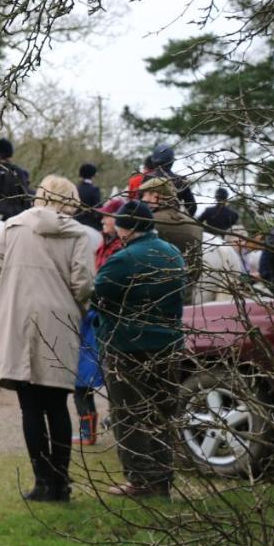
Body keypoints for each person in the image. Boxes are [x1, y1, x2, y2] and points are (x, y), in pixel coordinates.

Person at [0, 174, 99, 503]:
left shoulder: (12, 227)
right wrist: (77, 306)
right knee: (58, 406)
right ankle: (61, 482)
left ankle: (42, 482)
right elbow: (84, 284)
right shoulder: (77, 234)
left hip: (18, 318)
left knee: (30, 408)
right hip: (59, 321)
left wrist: (6, 303)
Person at [92, 200, 186, 498]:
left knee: (128, 413)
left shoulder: (124, 258)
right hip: (168, 344)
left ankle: (139, 479)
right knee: (162, 413)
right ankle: (162, 478)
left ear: (128, 227)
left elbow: (98, 295)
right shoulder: (173, 254)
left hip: (128, 345)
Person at [74, 195, 125, 444]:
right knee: (81, 379)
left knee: (90, 378)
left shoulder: (119, 250)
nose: (103, 219)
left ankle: (101, 428)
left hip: (106, 320)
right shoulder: (103, 245)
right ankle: (87, 431)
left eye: (108, 215)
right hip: (96, 318)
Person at [139, 177, 203, 300]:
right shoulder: (195, 225)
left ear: (156, 196)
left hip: (155, 298)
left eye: (145, 195)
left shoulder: (150, 222)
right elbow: (198, 267)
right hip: (186, 295)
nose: (143, 200)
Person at [147, 143, 196, 215]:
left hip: (149, 221)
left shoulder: (147, 178)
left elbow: (139, 204)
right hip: (174, 220)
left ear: (153, 161)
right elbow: (192, 206)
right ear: (172, 162)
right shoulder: (181, 180)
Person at [74, 163, 103, 230]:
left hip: (76, 222)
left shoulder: (75, 188)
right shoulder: (94, 189)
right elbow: (98, 208)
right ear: (93, 175)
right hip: (90, 225)